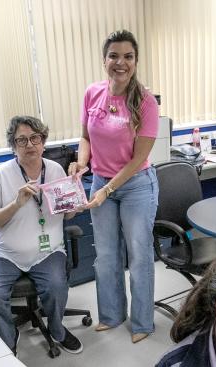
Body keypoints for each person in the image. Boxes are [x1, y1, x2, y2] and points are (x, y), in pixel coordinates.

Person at [68, 29, 160, 344]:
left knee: (138, 254)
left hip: (135, 185)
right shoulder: (92, 93)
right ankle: (110, 315)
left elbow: (139, 158)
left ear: (135, 61)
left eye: (128, 56)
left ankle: (143, 323)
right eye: (114, 55)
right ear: (105, 59)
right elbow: (85, 137)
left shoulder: (145, 102)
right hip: (100, 182)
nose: (120, 62)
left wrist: (107, 189)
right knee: (105, 254)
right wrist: (82, 163)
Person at [0, 115, 83, 356]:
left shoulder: (56, 170)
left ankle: (57, 330)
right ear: (13, 146)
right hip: (6, 253)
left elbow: (66, 217)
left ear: (43, 141)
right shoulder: (1, 175)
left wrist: (73, 208)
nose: (30, 145)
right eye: (22, 140)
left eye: (35, 138)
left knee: (57, 285)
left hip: (48, 250)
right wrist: (16, 203)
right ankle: (7, 338)